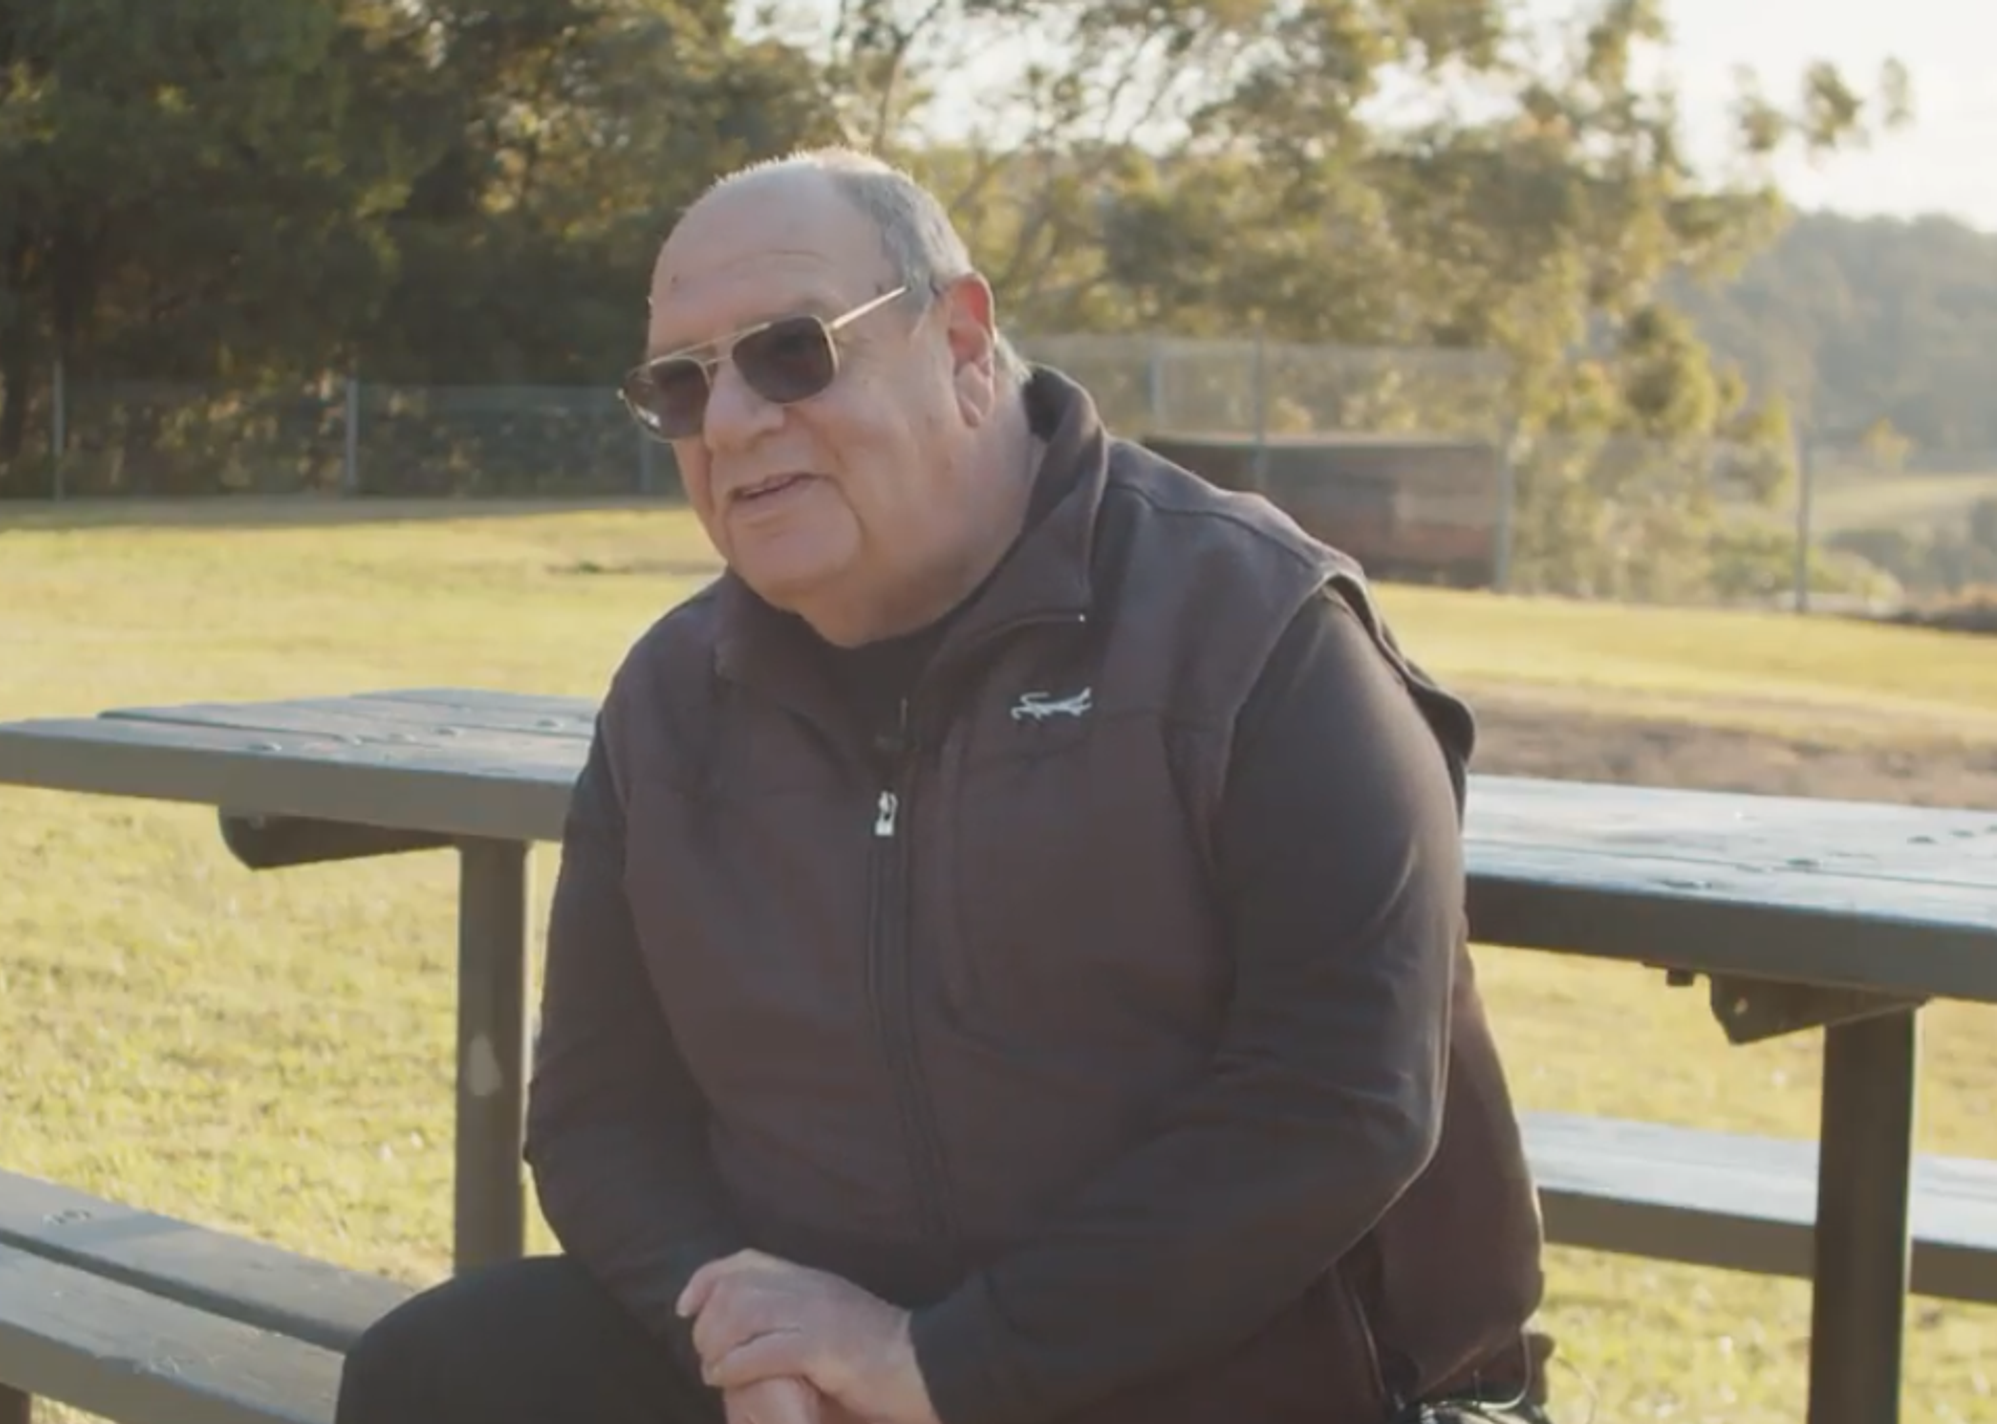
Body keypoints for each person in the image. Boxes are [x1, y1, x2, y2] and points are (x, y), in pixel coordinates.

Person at [332, 147, 1555, 1424]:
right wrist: (752, 1337)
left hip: (1243, 1368)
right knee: (438, 1376)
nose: (736, 418)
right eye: (683, 386)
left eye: (789, 351)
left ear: (964, 342)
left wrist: (952, 1363)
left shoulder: (1254, 625)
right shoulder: (669, 697)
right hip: (835, 1365)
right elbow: (596, 1116)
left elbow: (1340, 1098)